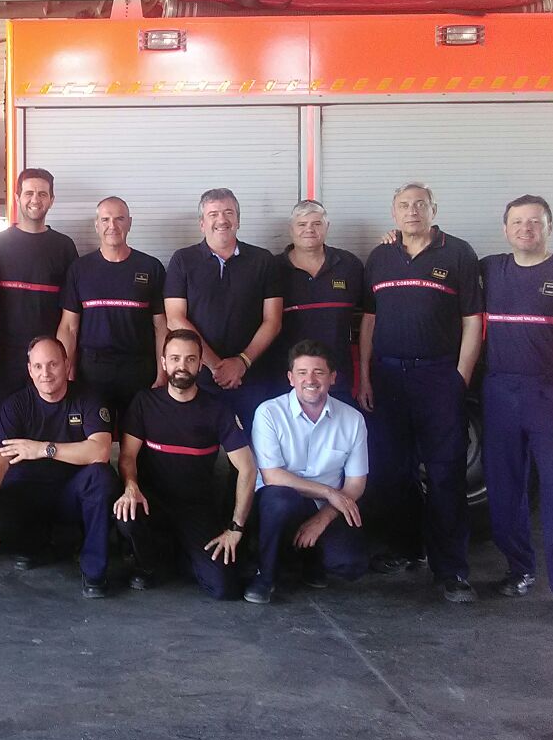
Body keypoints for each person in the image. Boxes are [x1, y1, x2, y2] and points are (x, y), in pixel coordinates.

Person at [358, 182, 482, 603]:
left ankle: (452, 572)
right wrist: (365, 375)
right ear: (393, 213)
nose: (412, 211)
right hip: (389, 377)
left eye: (419, 205)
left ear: (434, 209)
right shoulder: (380, 256)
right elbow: (369, 322)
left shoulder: (458, 253)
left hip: (437, 377)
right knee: (394, 473)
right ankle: (407, 549)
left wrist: (459, 377)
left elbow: (472, 320)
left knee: (446, 475)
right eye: (403, 205)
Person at [481, 195, 553, 621]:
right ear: (505, 228)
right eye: (517, 221)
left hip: (552, 397)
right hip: (499, 394)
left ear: (549, 227)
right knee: (504, 490)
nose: (525, 228)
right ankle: (519, 569)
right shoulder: (490, 269)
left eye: (534, 221)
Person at [113, 329, 258, 600]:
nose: (182, 366)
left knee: (224, 588)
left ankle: (180, 557)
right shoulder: (145, 402)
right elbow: (128, 456)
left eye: (191, 359)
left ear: (200, 364)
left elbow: (248, 468)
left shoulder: (217, 410)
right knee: (126, 515)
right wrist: (131, 486)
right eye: (176, 358)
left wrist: (236, 527)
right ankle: (148, 566)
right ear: (164, 362)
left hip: (197, 510)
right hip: (151, 502)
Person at [0, 336, 118, 598]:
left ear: (66, 364)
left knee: (101, 477)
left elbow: (101, 451)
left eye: (52, 365)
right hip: (29, 493)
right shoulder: (15, 406)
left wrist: (42, 448)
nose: (45, 374)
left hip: (72, 494)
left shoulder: (88, 399)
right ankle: (40, 546)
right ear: (29, 370)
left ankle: (94, 570)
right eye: (38, 367)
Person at [245, 339, 370, 604]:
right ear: (290, 378)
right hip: (276, 503)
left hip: (323, 506)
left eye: (319, 372)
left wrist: (324, 516)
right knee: (282, 498)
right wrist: (329, 492)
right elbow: (272, 476)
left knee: (350, 563)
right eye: (302, 373)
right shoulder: (269, 412)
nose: (310, 380)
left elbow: (356, 483)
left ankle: (308, 558)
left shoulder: (352, 419)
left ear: (333, 378)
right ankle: (265, 576)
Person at [165, 188, 282, 433]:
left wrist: (242, 362)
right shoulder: (182, 261)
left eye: (229, 212)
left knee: (254, 453)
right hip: (201, 379)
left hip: (253, 377)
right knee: (198, 451)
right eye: (213, 214)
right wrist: (216, 366)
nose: (222, 220)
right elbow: (175, 318)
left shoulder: (263, 261)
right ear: (202, 223)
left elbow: (273, 320)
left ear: (238, 220)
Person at [0, 168, 78, 442]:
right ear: (17, 197)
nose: (35, 199)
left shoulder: (64, 247)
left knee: (45, 428)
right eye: (29, 193)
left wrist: (68, 361)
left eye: (42, 193)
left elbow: (70, 315)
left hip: (47, 362)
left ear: (51, 199)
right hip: (3, 358)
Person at [57, 196, 166, 427]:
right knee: (94, 441)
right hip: (93, 372)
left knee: (138, 444)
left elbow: (161, 327)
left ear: (130, 223)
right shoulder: (79, 269)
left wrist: (163, 371)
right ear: (97, 225)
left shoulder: (151, 267)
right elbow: (68, 327)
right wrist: (66, 370)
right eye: (105, 219)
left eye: (119, 219)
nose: (112, 226)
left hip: (139, 371)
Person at [271, 200, 363, 407]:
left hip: (337, 379)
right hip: (287, 381)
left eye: (316, 223)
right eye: (302, 224)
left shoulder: (349, 265)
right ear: (291, 229)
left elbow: (369, 317)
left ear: (327, 227)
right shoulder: (272, 269)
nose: (309, 230)